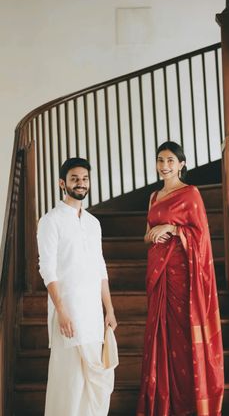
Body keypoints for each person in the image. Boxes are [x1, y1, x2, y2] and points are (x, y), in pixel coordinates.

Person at [137, 141, 224, 416]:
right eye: (161, 160)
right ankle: (163, 402)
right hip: (158, 275)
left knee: (183, 338)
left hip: (182, 277)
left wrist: (173, 228)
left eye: (171, 161)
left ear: (181, 164)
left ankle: (190, 402)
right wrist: (154, 233)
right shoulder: (153, 196)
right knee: (160, 337)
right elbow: (146, 234)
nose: (164, 166)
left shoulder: (190, 194)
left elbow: (201, 236)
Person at [37, 157, 118, 416]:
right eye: (74, 179)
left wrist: (109, 309)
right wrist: (61, 310)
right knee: (69, 384)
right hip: (68, 313)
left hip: (93, 314)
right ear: (63, 183)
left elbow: (100, 267)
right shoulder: (50, 221)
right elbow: (46, 268)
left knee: (94, 387)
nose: (80, 183)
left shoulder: (94, 223)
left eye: (84, 178)